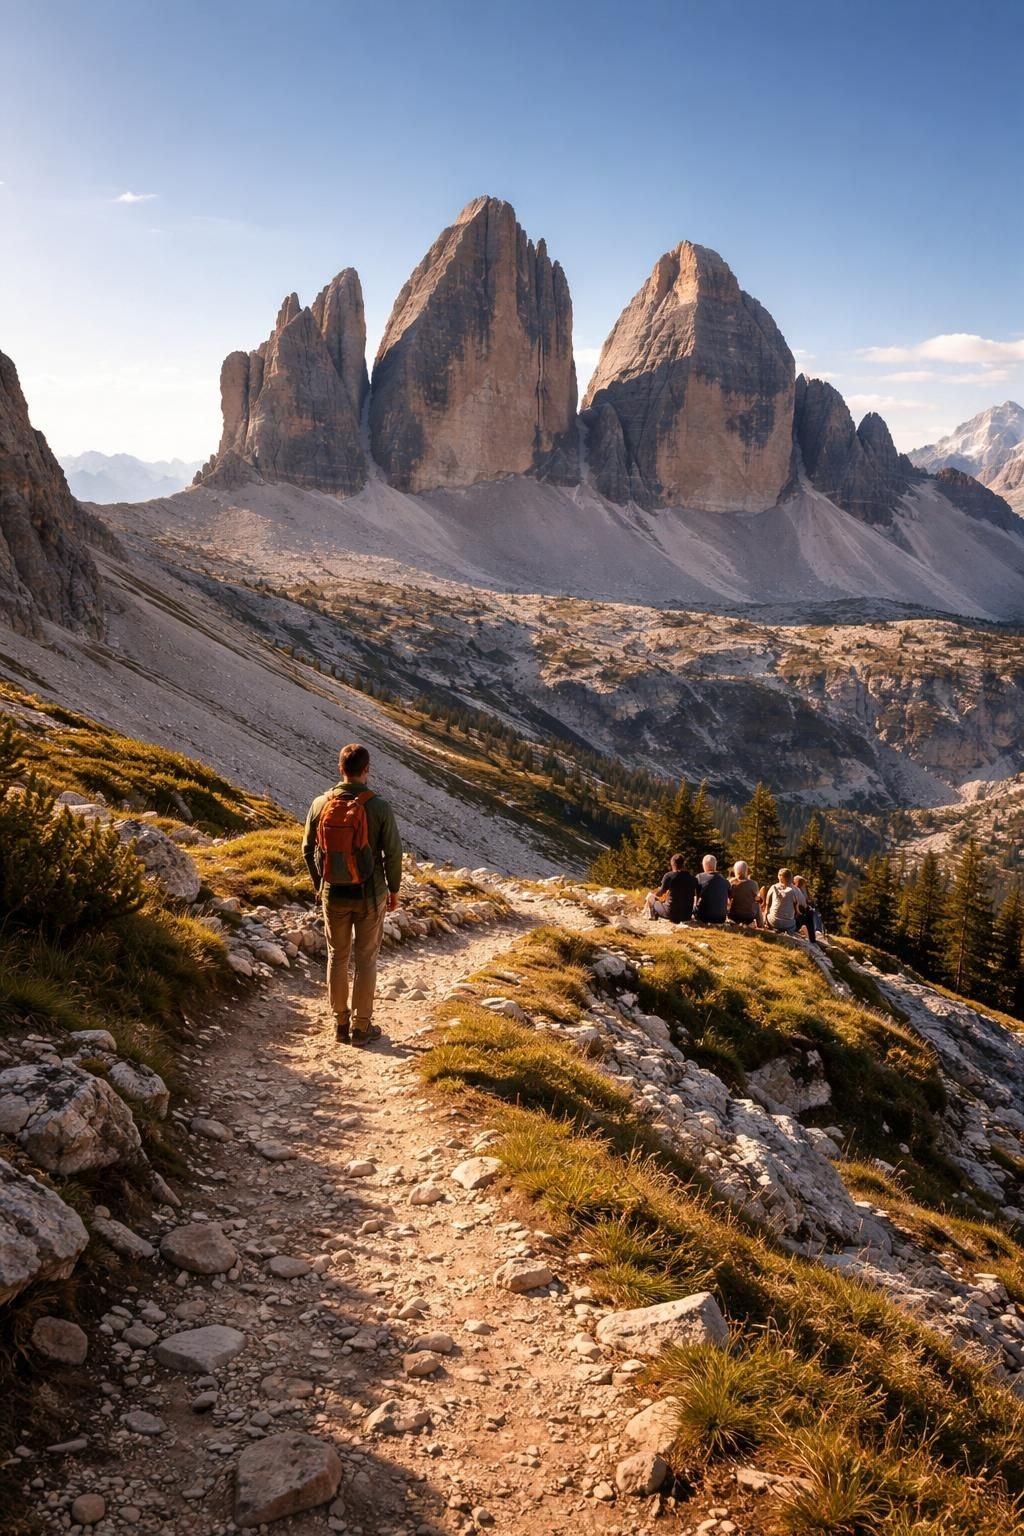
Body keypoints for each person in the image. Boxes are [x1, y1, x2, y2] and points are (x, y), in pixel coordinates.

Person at [302, 743, 403, 1046]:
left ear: (340, 768)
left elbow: (308, 849)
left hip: (334, 894)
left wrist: (320, 883)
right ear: (367, 770)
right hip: (370, 895)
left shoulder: (321, 803)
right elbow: (393, 853)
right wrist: (394, 889)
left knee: (337, 956)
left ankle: (340, 1023)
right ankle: (362, 1027)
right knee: (366, 959)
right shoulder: (379, 807)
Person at [645, 853, 698, 923]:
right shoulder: (692, 878)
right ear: (683, 864)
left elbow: (660, 893)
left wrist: (654, 896)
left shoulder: (669, 876)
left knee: (651, 898)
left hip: (672, 914)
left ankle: (653, 916)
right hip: (687, 915)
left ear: (672, 864)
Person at [764, 868, 805, 935]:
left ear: (779, 877)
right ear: (790, 878)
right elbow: (797, 911)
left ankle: (770, 926)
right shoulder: (794, 891)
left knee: (768, 913)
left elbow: (767, 905)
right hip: (788, 925)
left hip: (773, 922)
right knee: (796, 921)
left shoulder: (773, 887)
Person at [693, 854, 729, 925]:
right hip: (721, 918)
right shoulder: (724, 880)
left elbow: (696, 898)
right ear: (715, 865)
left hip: (704, 916)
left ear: (704, 865)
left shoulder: (699, 877)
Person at [728, 861, 762, 927]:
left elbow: (728, 898)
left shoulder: (731, 882)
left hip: (734, 916)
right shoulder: (754, 884)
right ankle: (760, 923)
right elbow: (757, 901)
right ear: (746, 871)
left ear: (735, 871)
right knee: (757, 901)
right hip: (748, 917)